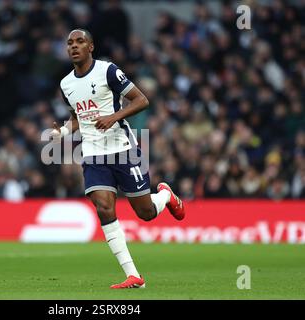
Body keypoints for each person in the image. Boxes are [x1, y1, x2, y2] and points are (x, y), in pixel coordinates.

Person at [50, 29, 186, 289]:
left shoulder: (108, 71)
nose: (74, 46)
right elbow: (78, 117)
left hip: (122, 148)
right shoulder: (66, 84)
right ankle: (134, 275)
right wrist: (64, 132)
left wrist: (114, 117)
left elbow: (141, 100)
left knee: (145, 212)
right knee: (103, 207)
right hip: (92, 153)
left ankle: (165, 196)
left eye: (80, 42)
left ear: (91, 46)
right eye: (69, 43)